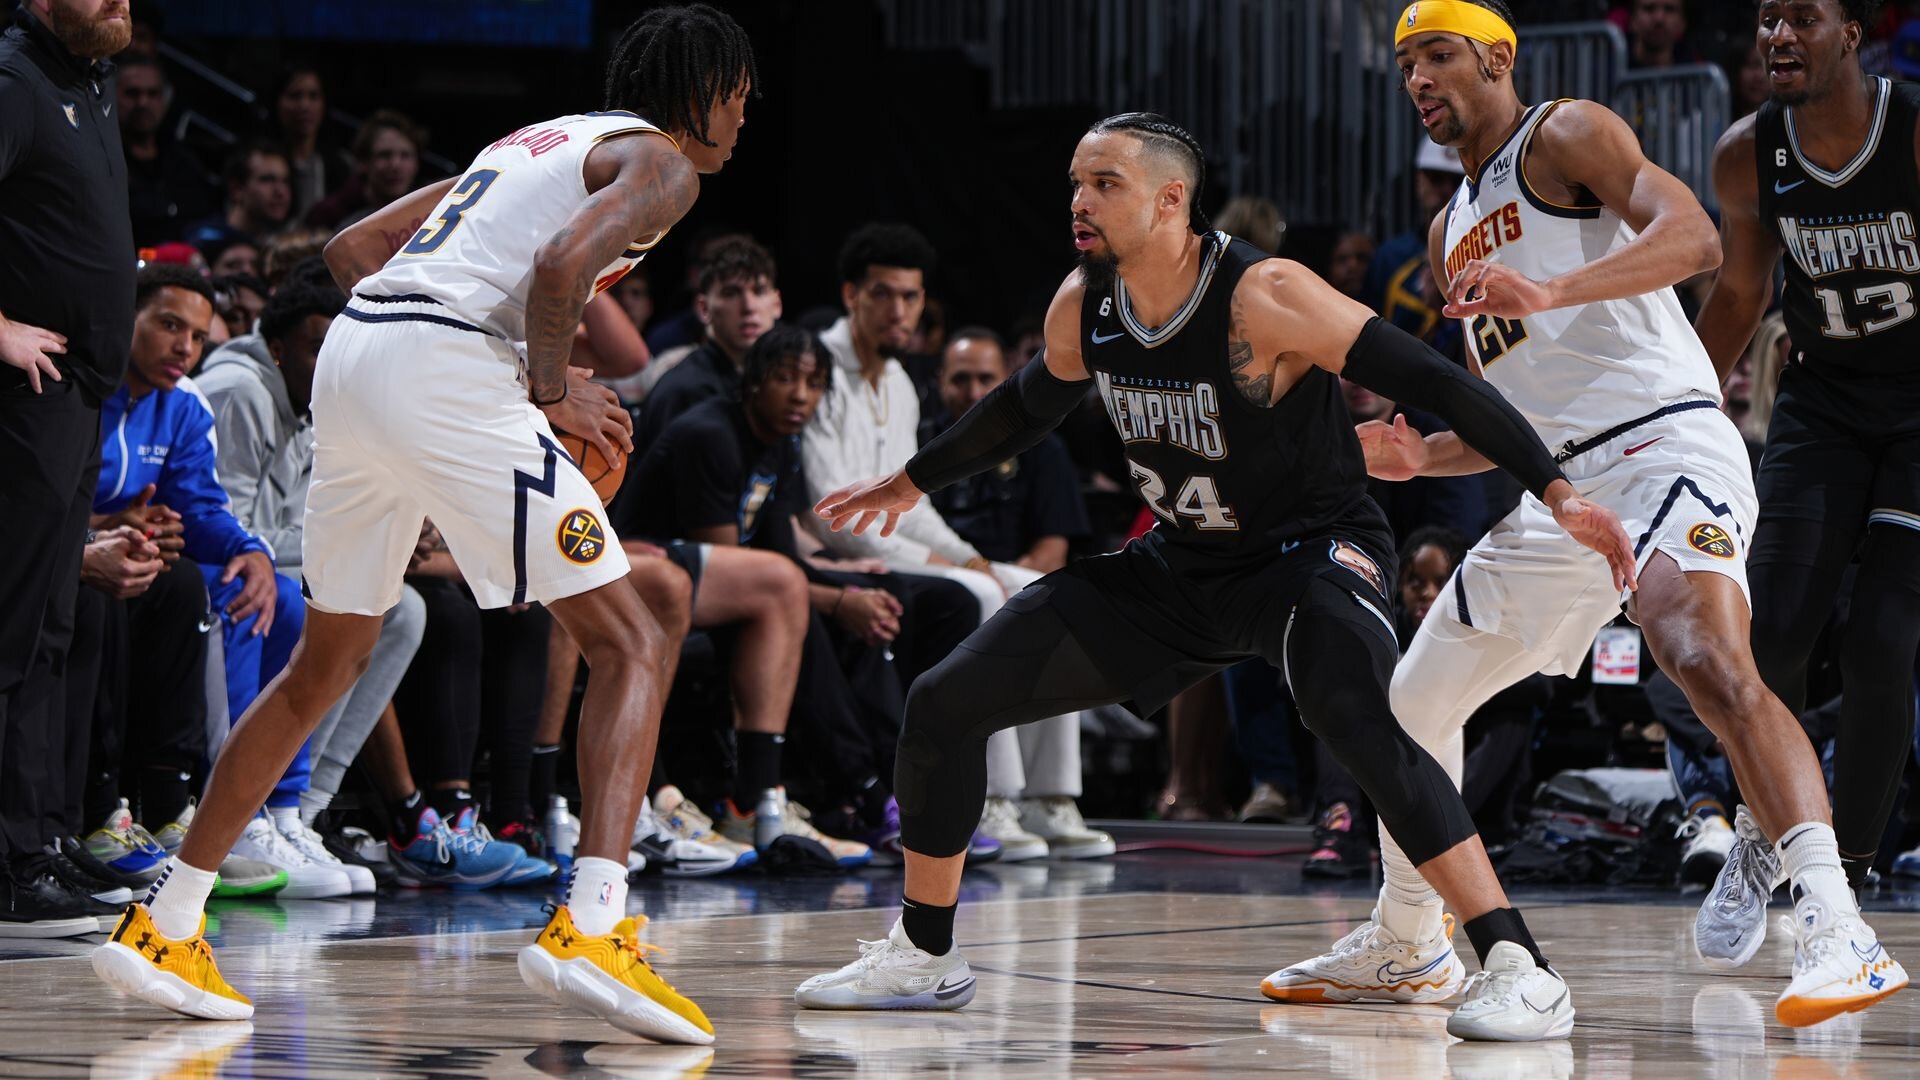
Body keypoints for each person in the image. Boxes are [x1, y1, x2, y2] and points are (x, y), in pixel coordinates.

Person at [797, 109, 1639, 1041]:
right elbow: (1025, 406)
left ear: (1171, 200)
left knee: (1359, 715)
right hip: (1183, 565)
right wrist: (910, 481)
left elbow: (1440, 386)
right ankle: (923, 955)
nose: (1078, 202)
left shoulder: (1265, 293)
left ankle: (1518, 963)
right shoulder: (1086, 303)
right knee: (946, 700)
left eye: (1103, 185)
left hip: (1309, 551)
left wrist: (1558, 492)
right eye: (1074, 184)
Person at [92, 4, 756, 1045]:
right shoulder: (663, 163)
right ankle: (593, 926)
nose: (745, 116)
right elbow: (560, 269)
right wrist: (540, 395)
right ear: (705, 90)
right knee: (634, 640)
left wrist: (444, 364)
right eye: (741, 94)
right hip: (444, 373)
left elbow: (356, 247)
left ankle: (167, 921)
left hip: (359, 359)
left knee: (328, 659)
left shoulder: (530, 143)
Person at [1280, 0, 1904, 1029]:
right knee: (1410, 704)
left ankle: (1840, 927)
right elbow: (1510, 413)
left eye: (1436, 56)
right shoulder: (1447, 230)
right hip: (1559, 491)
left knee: (1700, 651)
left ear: (1495, 58)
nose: (1419, 80)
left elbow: (1696, 236)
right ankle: (1407, 940)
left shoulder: (1566, 130)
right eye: (1403, 67)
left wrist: (1554, 286)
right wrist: (1423, 452)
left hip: (1664, 442)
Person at [1693, 0, 1920, 968]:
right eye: (1765, 17)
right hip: (1822, 404)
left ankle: (1847, 886)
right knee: (1771, 633)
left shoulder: (1910, 131)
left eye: (1802, 16)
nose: (1777, 34)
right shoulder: (1748, 156)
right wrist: (1677, 406)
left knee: (1881, 645)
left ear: (1851, 35)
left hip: (1918, 411)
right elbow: (1742, 293)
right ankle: (1760, 831)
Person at [801, 223, 1111, 863]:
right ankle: (992, 794)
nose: (900, 311)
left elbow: (910, 500)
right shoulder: (818, 371)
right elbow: (831, 514)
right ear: (851, 295)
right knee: (980, 593)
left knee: (1043, 590)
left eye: (910, 298)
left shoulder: (895, 381)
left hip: (898, 552)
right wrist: (949, 565)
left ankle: (1050, 796)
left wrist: (966, 556)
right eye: (883, 295)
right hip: (840, 560)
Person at [0, 0, 137, 939]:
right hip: (26, 398)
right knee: (14, 630)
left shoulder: (82, 78)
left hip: (79, 392)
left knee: (52, 626)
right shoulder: (13, 80)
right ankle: (12, 864)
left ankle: (41, 838)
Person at [117, 53, 218, 247]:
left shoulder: (186, 161)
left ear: (165, 98)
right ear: (112, 95)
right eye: (132, 93)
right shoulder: (103, 162)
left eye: (152, 93)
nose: (143, 103)